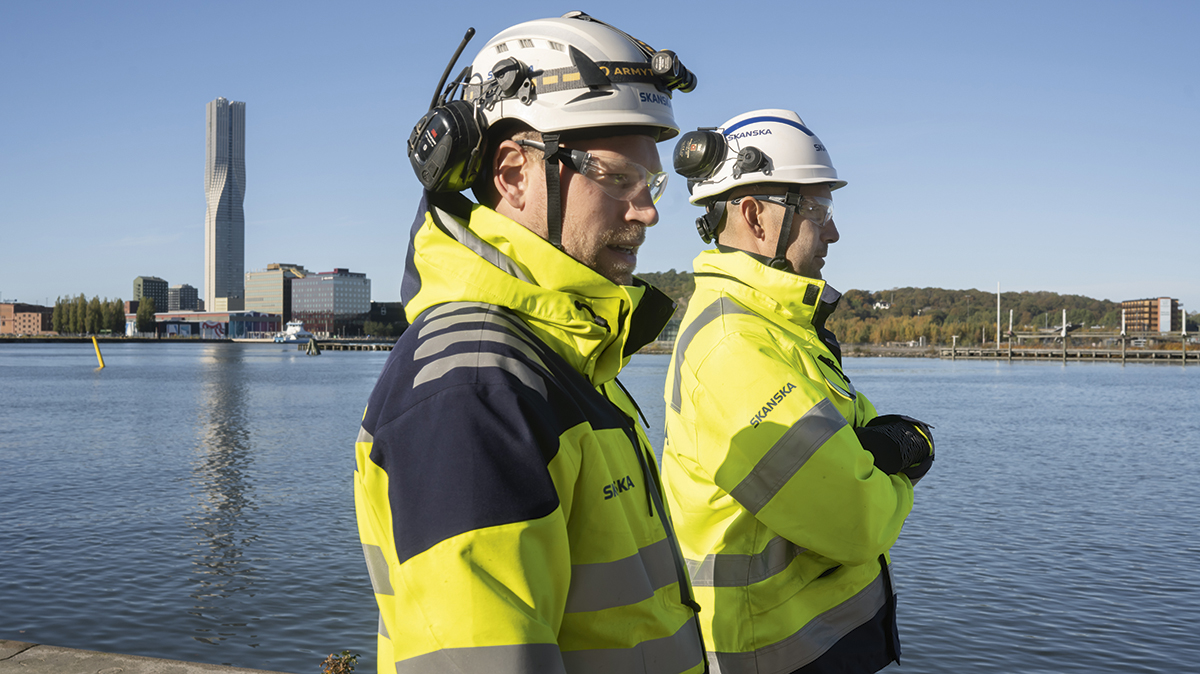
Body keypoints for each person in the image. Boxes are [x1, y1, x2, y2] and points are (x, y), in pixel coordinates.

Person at [354, 12, 706, 674]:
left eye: (651, 184)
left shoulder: (559, 358)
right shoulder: (476, 389)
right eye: (617, 179)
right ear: (515, 174)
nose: (649, 210)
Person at [661, 109, 935, 673]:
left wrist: (874, 454)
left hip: (815, 645)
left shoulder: (780, 327)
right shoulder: (735, 346)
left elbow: (858, 436)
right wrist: (902, 460)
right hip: (773, 654)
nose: (833, 230)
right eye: (818, 209)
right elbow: (856, 519)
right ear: (756, 216)